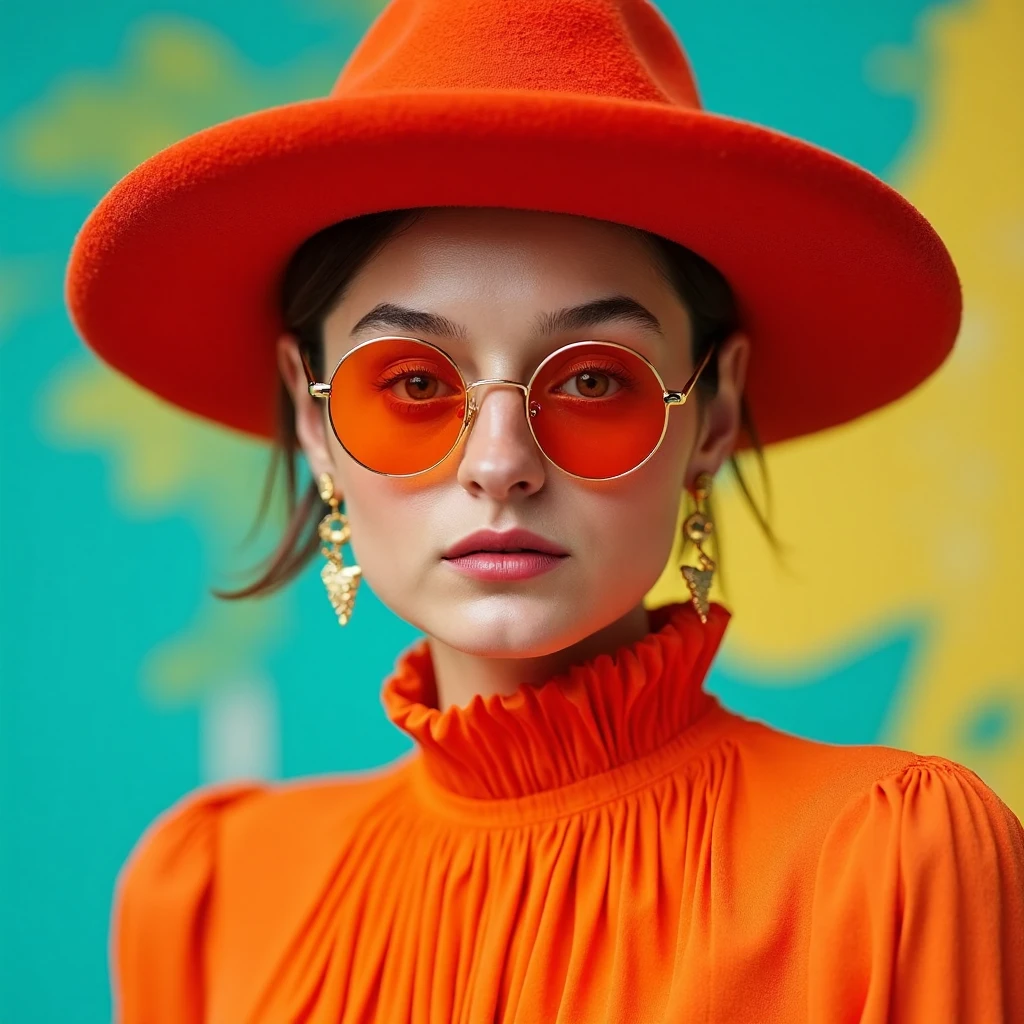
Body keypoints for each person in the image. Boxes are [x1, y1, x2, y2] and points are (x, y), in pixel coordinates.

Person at [66, 0, 1024, 1021]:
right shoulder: (210, 891)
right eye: (415, 384)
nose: (501, 464)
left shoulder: (892, 856)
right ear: (312, 422)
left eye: (593, 381)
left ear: (714, 410)